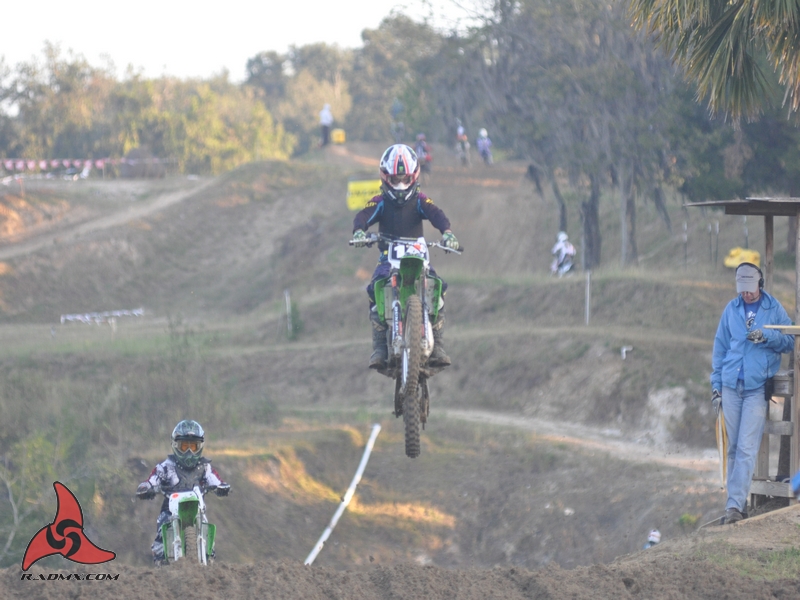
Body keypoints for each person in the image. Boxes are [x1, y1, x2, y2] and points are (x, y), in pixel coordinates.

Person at [351, 144, 459, 370]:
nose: (400, 185)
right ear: (385, 178)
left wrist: (447, 233)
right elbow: (363, 215)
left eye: (405, 179)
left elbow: (436, 213)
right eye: (395, 179)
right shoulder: (380, 201)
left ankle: (438, 345)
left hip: (418, 257)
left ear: (414, 177)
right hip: (387, 258)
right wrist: (359, 231)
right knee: (374, 288)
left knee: (439, 286)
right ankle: (380, 347)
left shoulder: (420, 200)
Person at [711, 263, 793, 524]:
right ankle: (736, 505)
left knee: (747, 448)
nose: (746, 294)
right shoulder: (731, 309)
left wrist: (766, 336)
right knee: (734, 448)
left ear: (760, 284)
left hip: (756, 388)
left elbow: (790, 341)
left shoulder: (773, 308)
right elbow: (720, 349)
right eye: (742, 290)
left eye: (750, 289)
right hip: (730, 386)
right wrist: (716, 386)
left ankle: (733, 506)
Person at [136, 419, 230, 564]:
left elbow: (214, 479)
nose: (189, 451)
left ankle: (208, 558)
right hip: (170, 511)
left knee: (206, 529)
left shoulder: (204, 467)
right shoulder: (166, 467)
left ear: (200, 446)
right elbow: (154, 479)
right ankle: (161, 561)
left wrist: (221, 487)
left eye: (193, 446)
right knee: (161, 533)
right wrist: (147, 487)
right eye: (185, 446)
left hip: (197, 510)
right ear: (175, 445)